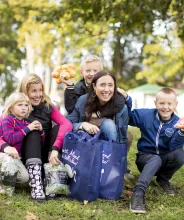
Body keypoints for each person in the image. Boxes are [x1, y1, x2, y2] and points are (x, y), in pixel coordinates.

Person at [0, 74, 72, 202]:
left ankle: (52, 180)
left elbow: (67, 124)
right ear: (24, 91)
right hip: (24, 155)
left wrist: (55, 148)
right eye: (33, 91)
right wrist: (5, 146)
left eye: (40, 90)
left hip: (46, 154)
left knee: (57, 128)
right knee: (33, 132)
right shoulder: (16, 107)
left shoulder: (47, 106)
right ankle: (36, 184)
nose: (38, 95)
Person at [129, 87, 184, 214]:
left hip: (163, 159)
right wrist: (126, 100)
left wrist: (181, 132)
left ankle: (163, 179)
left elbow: (174, 146)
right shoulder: (146, 115)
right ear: (155, 103)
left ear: (175, 104)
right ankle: (138, 193)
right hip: (145, 158)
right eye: (162, 103)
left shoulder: (177, 122)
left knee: (180, 154)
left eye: (169, 104)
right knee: (154, 159)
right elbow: (128, 116)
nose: (166, 107)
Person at [68, 70, 128, 146]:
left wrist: (120, 156)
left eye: (110, 85)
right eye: (102, 85)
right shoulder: (83, 100)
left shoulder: (122, 107)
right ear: (94, 86)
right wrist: (82, 125)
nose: (106, 89)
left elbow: (122, 138)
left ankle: (109, 155)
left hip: (109, 146)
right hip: (85, 144)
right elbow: (69, 123)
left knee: (108, 124)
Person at [0, 92, 44, 193]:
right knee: (5, 162)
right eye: (19, 105)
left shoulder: (27, 123)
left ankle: (6, 180)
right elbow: (10, 139)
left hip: (16, 158)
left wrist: (41, 131)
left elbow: (41, 143)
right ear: (11, 107)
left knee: (24, 178)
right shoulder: (7, 120)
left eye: (26, 105)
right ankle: (3, 183)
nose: (23, 108)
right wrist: (27, 129)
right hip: (4, 155)